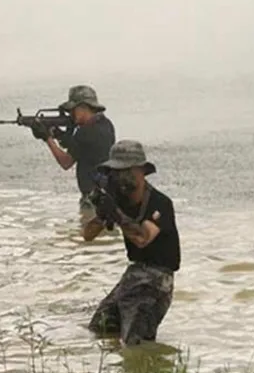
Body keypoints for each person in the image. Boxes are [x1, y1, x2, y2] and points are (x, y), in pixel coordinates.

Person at [82, 140, 180, 346]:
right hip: (133, 275)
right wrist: (102, 211)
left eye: (125, 171)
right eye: (115, 172)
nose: (120, 178)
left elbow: (142, 238)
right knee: (100, 328)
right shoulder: (118, 200)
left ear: (141, 172)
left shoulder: (160, 203)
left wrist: (117, 214)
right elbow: (88, 235)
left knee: (136, 344)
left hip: (157, 279)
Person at [32, 85, 116, 210]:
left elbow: (65, 162)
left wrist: (47, 138)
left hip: (92, 198)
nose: (70, 114)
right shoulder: (106, 124)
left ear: (84, 107)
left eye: (73, 110)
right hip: (107, 193)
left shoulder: (86, 132)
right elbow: (80, 147)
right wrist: (60, 134)